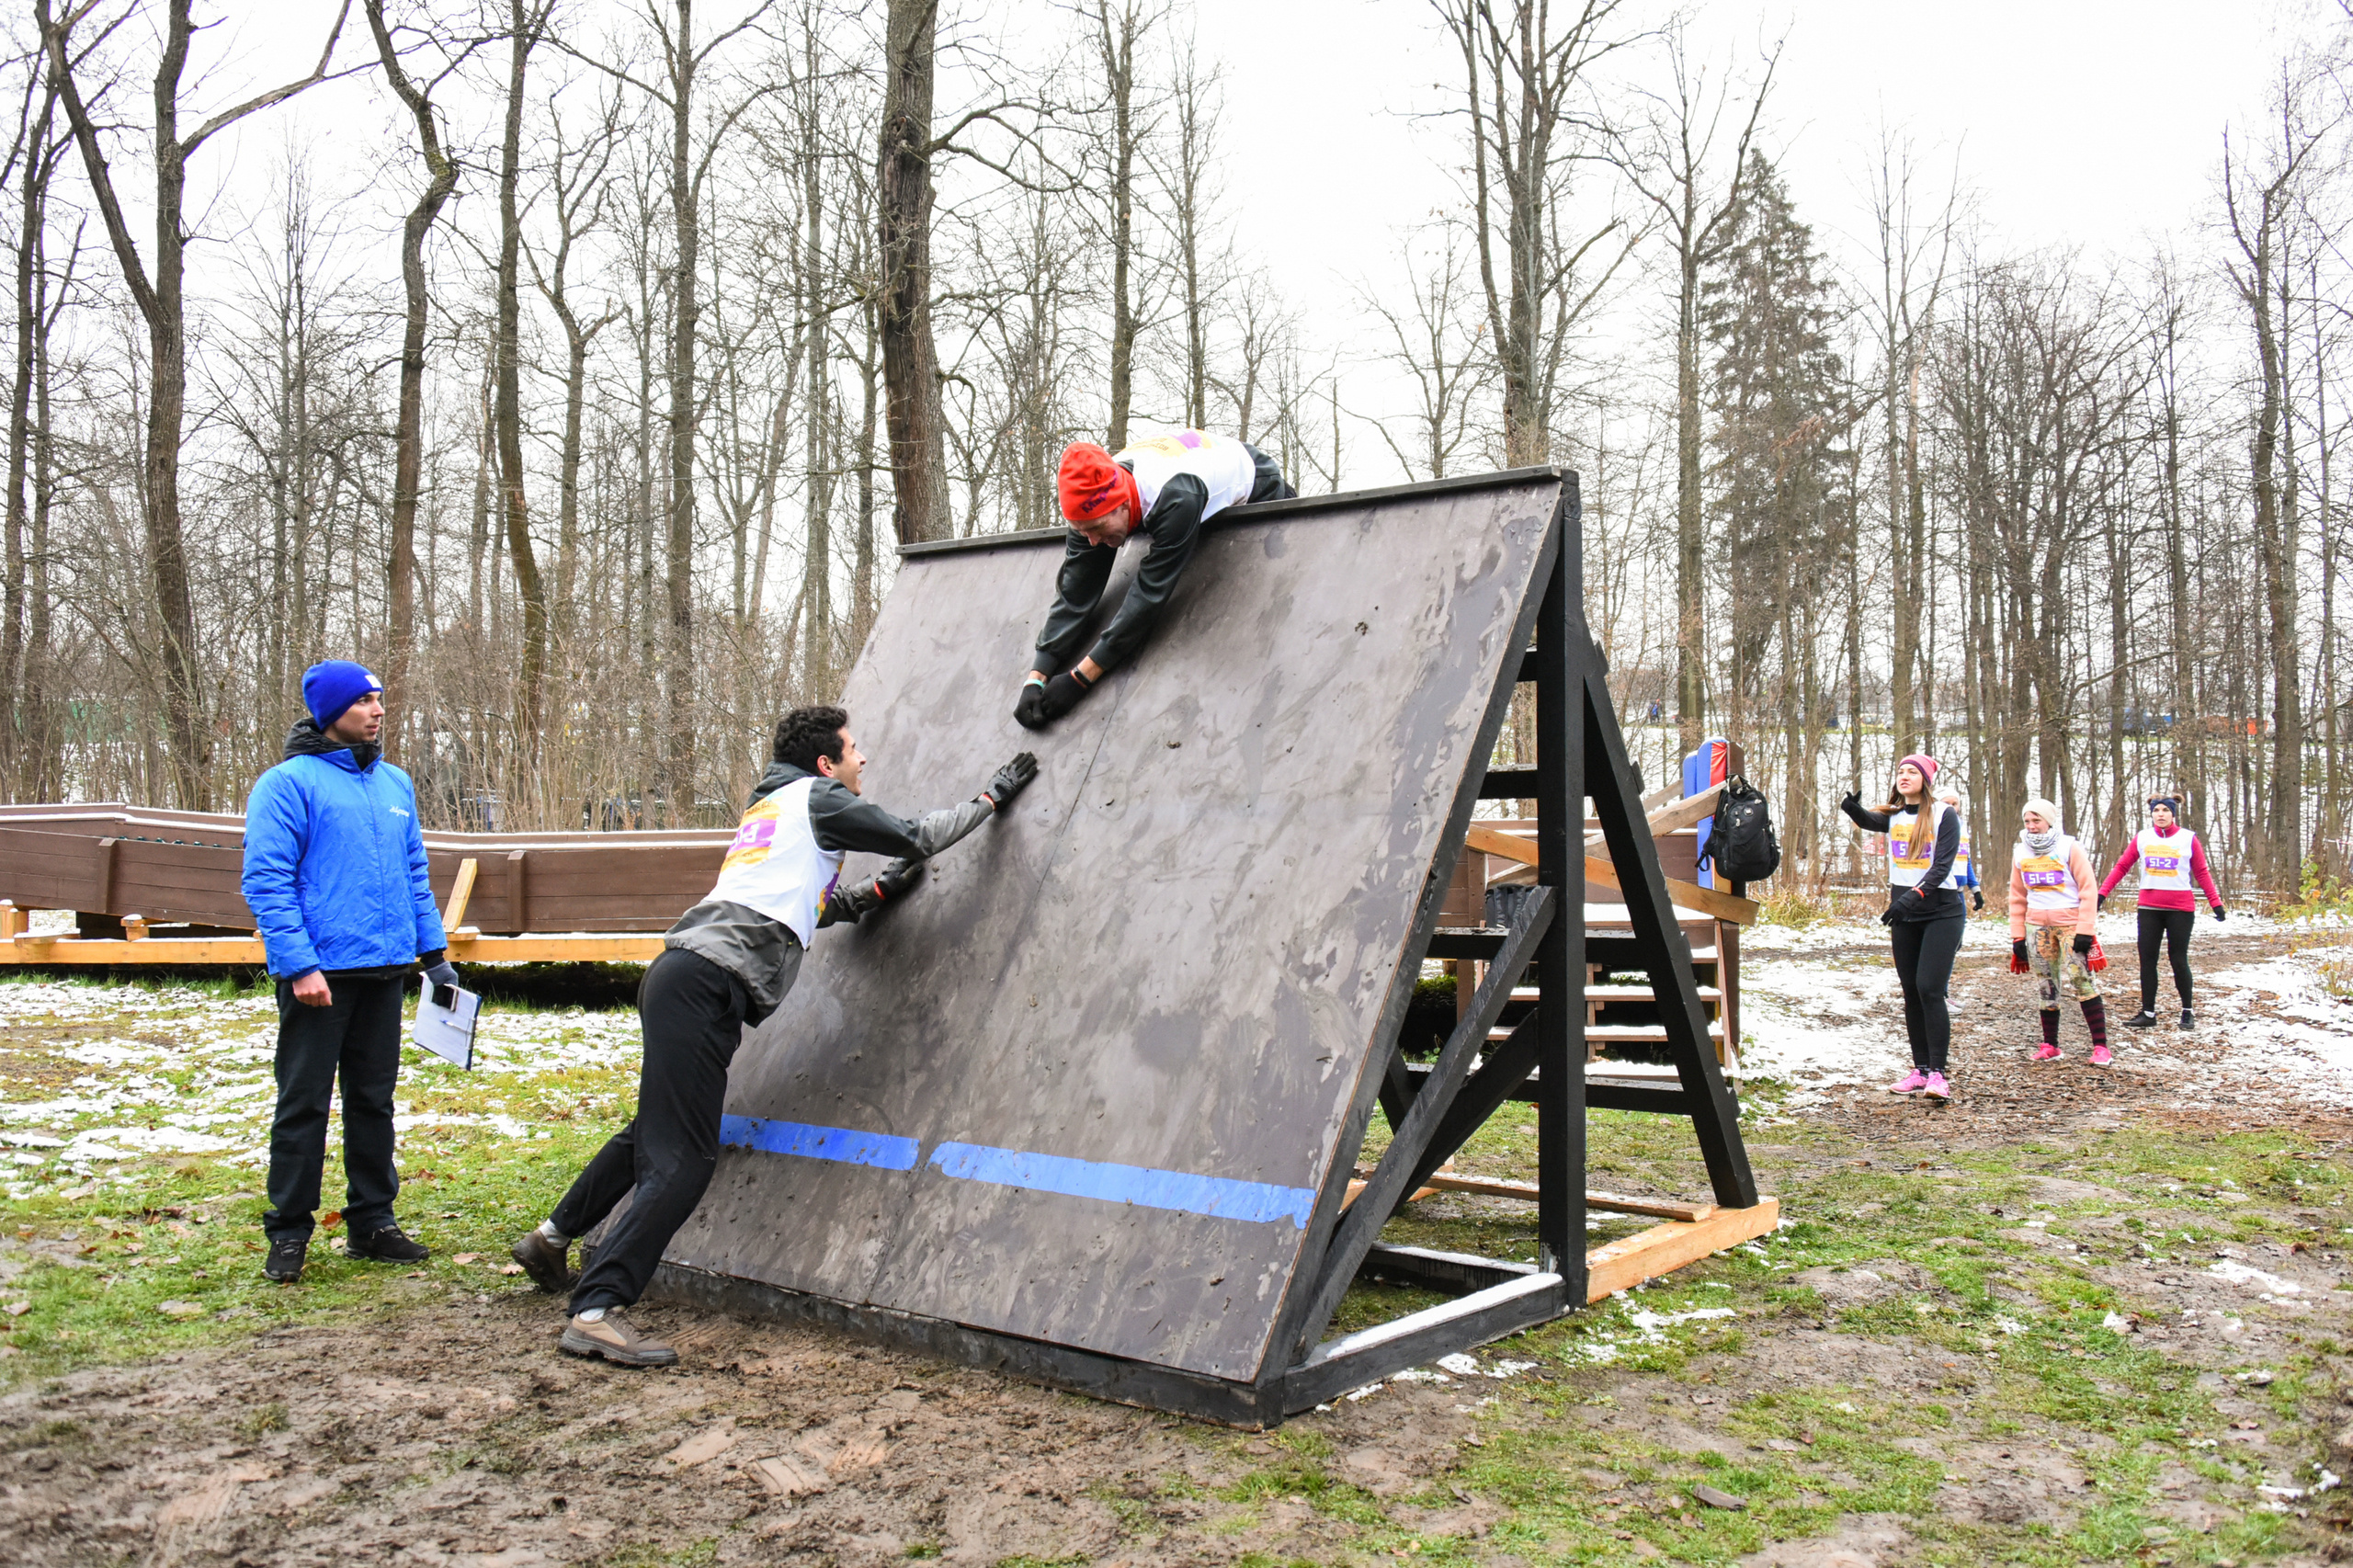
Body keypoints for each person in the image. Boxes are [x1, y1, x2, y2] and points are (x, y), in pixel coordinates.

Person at [510, 706, 1039, 1368]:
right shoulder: (820, 798)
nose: (863, 757)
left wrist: (871, 894)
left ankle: (551, 1238)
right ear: (827, 764)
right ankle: (595, 1310)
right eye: (854, 748)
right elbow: (913, 834)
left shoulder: (775, 807)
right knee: (685, 1161)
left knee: (652, 1131)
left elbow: (799, 903)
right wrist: (989, 800)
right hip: (704, 985)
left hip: (681, 976)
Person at [241, 660, 458, 1284]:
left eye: (379, 699)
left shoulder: (394, 784)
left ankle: (373, 1222)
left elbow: (415, 873)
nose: (377, 709)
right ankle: (288, 1230)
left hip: (384, 972)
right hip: (319, 978)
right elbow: (267, 881)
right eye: (363, 701)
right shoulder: (286, 785)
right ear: (330, 712)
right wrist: (300, 965)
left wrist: (434, 955)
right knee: (303, 1103)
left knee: (373, 1102)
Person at [1016, 429, 1294, 729]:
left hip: (1255, 480)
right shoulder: (1089, 507)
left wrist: (1080, 679)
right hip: (1181, 486)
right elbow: (1076, 591)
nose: (1092, 541)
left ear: (1122, 504)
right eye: (1083, 531)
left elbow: (1147, 597)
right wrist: (1036, 677)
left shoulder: (1174, 495)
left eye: (1096, 528)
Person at [1839, 753, 1965, 1102]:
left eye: (1912, 771)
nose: (1904, 776)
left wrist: (1913, 897)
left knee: (1929, 988)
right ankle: (1920, 1069)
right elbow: (1869, 820)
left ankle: (1939, 1074)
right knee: (1911, 991)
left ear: (1926, 779)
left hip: (1941, 910)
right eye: (1900, 771)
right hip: (1905, 913)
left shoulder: (1944, 814)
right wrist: (1851, 807)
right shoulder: (1895, 816)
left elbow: (1942, 867)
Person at [2097, 794, 2225, 1030]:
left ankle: (2187, 1011)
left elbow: (2202, 872)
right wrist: (2101, 894)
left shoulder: (2188, 839)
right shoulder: (2143, 838)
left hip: (2180, 909)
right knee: (2147, 960)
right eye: (2157, 811)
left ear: (2173, 814)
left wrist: (2215, 902)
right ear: (2152, 814)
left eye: (2166, 810)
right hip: (2149, 908)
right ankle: (2148, 1013)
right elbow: (2122, 866)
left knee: (2178, 959)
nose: (2161, 814)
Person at [2007, 798, 2109, 1067]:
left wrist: (2086, 929)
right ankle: (2050, 1045)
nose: (2032, 826)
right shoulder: (2021, 852)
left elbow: (2088, 889)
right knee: (2047, 985)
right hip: (2037, 926)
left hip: (2071, 925)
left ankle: (2100, 1047)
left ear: (2049, 821)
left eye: (2036, 821)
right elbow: (2017, 896)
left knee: (2081, 980)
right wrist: (2017, 934)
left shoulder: (2069, 847)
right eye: (2027, 821)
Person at [1936, 787, 1986, 915]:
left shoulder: (1962, 827)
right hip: (1940, 890)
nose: (1951, 808)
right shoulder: (1934, 826)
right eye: (1946, 804)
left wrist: (1976, 890)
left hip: (1958, 891)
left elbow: (1965, 860)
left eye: (1954, 804)